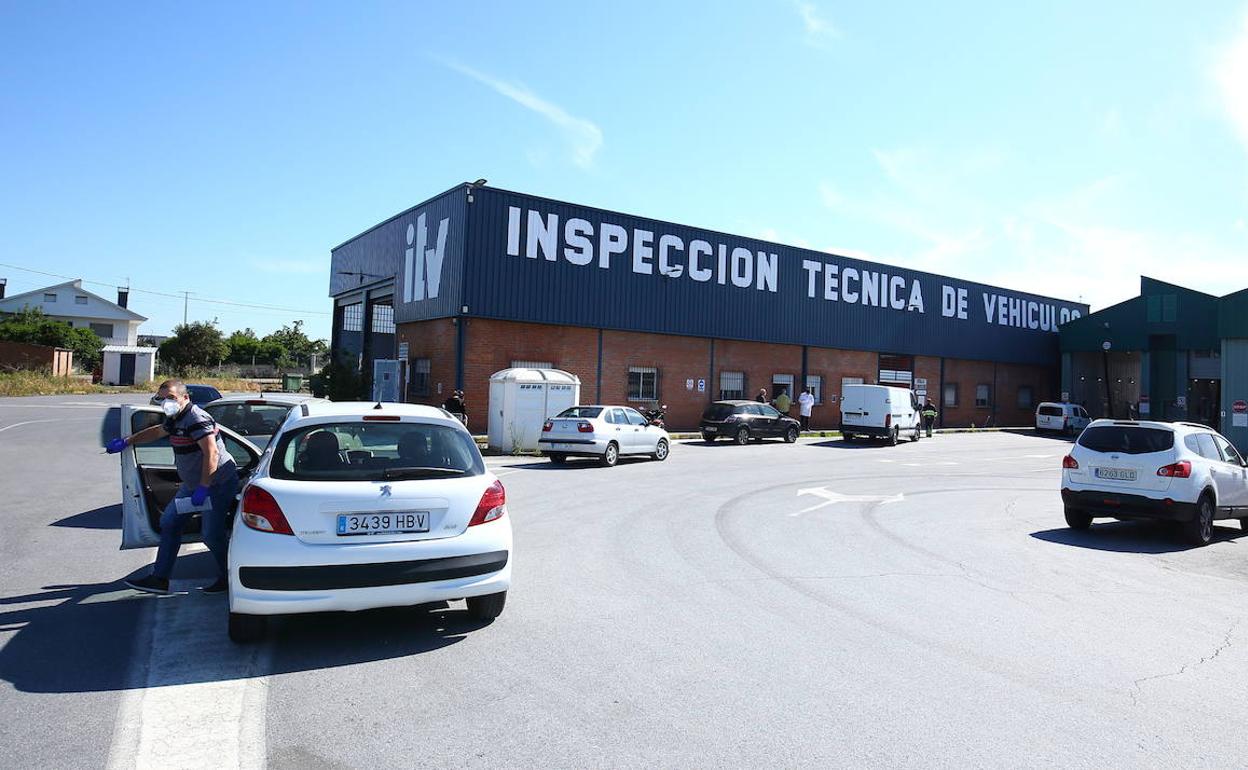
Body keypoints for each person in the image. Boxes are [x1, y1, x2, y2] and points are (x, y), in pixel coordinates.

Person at [107, 379, 239, 595]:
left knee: (211, 535)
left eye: (171, 398)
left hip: (218, 483)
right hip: (194, 485)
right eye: (162, 398)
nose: (165, 402)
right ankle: (160, 579)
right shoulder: (175, 417)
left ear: (185, 398)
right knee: (169, 522)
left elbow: (212, 453)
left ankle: (231, 578)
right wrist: (128, 441)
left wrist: (204, 487)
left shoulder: (196, 418)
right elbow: (158, 431)